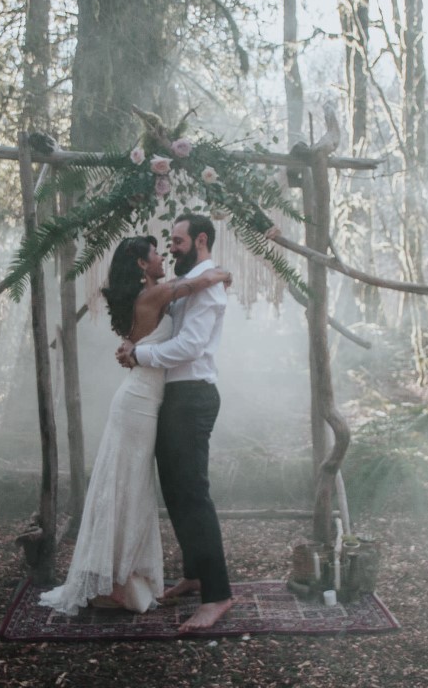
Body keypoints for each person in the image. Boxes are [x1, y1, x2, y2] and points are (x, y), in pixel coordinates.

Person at [38, 235, 231, 616]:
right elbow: (194, 284)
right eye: (157, 253)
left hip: (146, 399)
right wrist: (221, 272)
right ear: (143, 265)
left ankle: (120, 574)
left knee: (131, 485)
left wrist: (134, 350)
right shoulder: (155, 295)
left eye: (165, 249)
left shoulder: (150, 297)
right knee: (126, 485)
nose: (162, 257)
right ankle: (116, 579)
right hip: (139, 404)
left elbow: (168, 311)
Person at [116, 213, 235, 632]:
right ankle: (196, 572)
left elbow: (189, 346)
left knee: (193, 494)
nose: (172, 247)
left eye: (179, 240)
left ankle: (218, 595)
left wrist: (138, 356)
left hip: (193, 396)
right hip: (176, 396)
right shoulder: (196, 281)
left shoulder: (210, 284)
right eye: (169, 242)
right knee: (176, 492)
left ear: (201, 240)